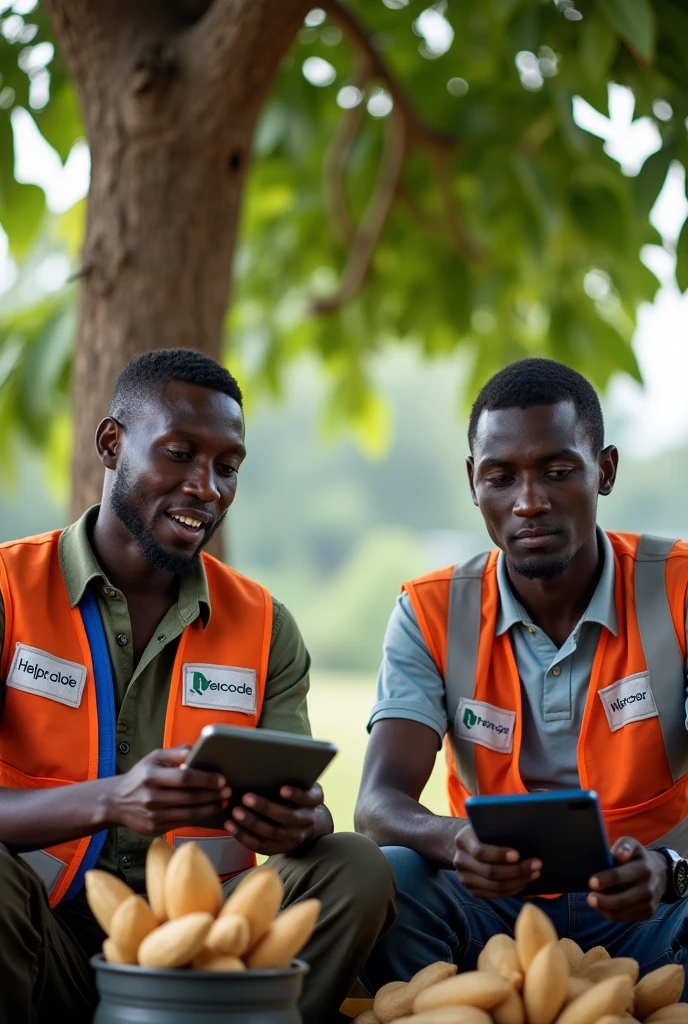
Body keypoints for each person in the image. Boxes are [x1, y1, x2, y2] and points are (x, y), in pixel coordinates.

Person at [0, 348, 395, 1024]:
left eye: (226, 466)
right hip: (39, 945)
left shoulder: (266, 625)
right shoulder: (10, 589)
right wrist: (112, 800)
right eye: (180, 453)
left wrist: (301, 821)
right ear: (111, 442)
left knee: (356, 866)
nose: (206, 486)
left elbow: (307, 812)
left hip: (211, 959)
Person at [356, 357, 688, 995]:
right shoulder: (431, 610)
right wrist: (455, 839)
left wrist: (668, 867)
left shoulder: (678, 590)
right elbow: (376, 805)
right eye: (501, 477)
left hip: (653, 908)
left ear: (606, 471)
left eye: (558, 471)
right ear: (472, 483)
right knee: (387, 874)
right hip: (492, 910)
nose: (529, 502)